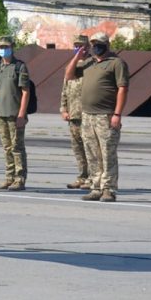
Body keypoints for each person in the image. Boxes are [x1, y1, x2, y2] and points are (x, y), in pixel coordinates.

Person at [64, 33, 127, 202]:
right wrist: (78, 56)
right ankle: (96, 187)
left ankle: (109, 189)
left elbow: (122, 88)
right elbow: (69, 75)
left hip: (105, 115)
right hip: (87, 115)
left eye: (99, 44)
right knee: (92, 153)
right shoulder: (88, 63)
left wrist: (117, 114)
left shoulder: (116, 63)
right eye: (93, 44)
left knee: (107, 153)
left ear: (107, 44)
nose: (95, 47)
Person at [0, 36, 31, 190]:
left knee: (17, 147)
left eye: (6, 47)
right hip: (1, 114)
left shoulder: (20, 67)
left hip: (15, 115)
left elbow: (25, 92)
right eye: (0, 47)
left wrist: (21, 114)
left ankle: (19, 178)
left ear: (12, 47)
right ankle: (9, 176)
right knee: (7, 147)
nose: (3, 49)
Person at [59, 35, 91, 189]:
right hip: (73, 115)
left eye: (81, 46)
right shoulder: (71, 65)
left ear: (88, 47)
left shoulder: (92, 64)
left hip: (88, 114)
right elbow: (65, 89)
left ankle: (92, 178)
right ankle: (82, 176)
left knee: (90, 148)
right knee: (78, 149)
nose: (79, 49)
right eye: (76, 46)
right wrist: (63, 109)